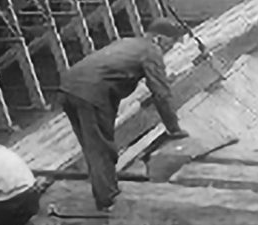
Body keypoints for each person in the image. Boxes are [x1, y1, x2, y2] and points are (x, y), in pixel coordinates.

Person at [58, 18, 189, 213]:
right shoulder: (151, 51)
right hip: (92, 92)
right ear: (159, 39)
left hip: (68, 88)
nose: (171, 48)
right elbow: (161, 93)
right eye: (172, 42)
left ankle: (104, 193)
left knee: (92, 146)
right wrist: (174, 128)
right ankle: (108, 202)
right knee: (102, 149)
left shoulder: (126, 42)